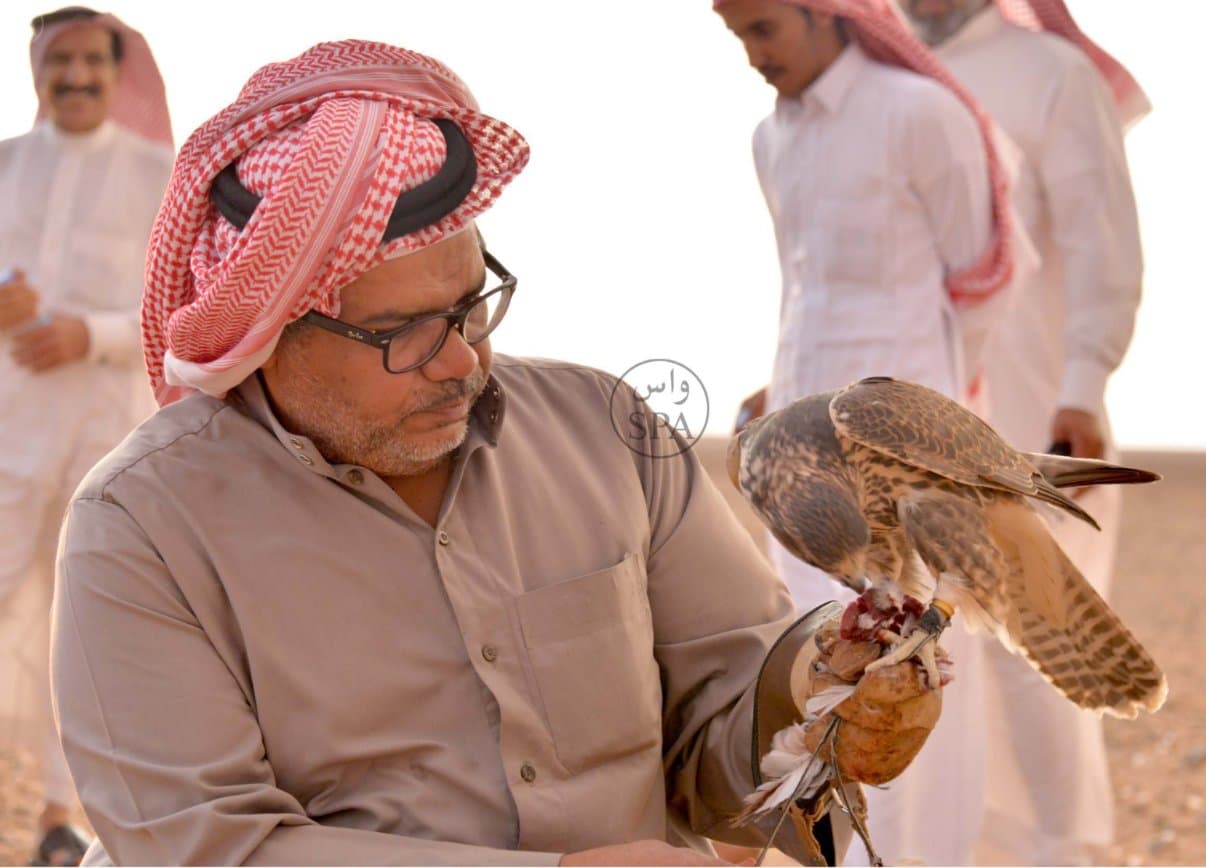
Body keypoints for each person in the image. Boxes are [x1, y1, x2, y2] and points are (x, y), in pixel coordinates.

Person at [49, 39, 936, 867]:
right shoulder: (143, 525)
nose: (462, 359)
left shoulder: (604, 430)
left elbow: (724, 715)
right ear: (268, 327)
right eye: (401, 333)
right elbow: (204, 848)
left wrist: (820, 682)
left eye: (472, 303)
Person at [714, 1, 1036, 864]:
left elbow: (986, 279)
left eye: (763, 29)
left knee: (919, 663)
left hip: (910, 452)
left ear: (825, 11)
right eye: (734, 32)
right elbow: (801, 284)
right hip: (804, 464)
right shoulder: (768, 138)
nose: (751, 54)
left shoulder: (918, 112)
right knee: (823, 650)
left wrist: (935, 419)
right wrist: (781, 385)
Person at [897, 1, 1147, 863]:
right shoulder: (879, 74)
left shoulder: (1052, 75)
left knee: (1040, 656)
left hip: (1036, 421)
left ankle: (1059, 853)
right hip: (909, 436)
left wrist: (1083, 386)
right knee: (921, 654)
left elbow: (1102, 245)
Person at [0, 7, 172, 865]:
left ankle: (61, 819)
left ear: (116, 70)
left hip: (108, 435)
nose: (72, 76)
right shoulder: (2, 165)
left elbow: (177, 301)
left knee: (81, 618)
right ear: (35, 69)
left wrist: (88, 333)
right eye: (55, 60)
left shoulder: (158, 172)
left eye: (88, 60)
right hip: (7, 432)